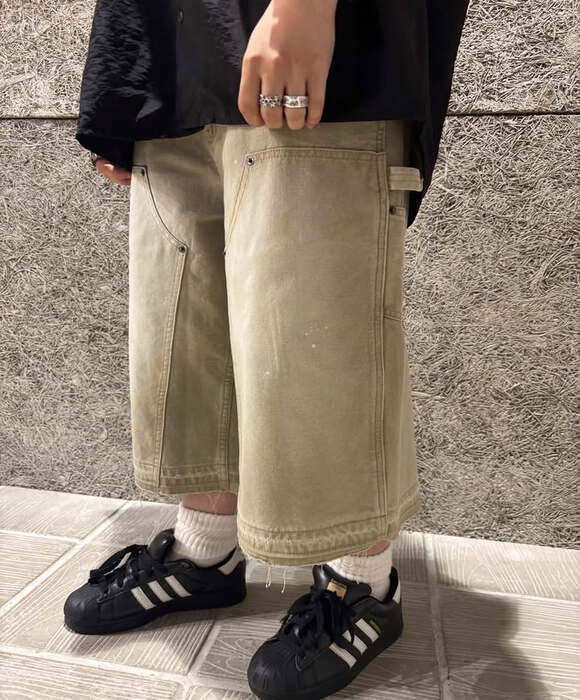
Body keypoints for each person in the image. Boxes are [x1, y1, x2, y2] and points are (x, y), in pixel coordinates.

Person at [65, 1, 469, 697]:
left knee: (319, 336)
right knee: (186, 327)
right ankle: (204, 552)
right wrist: (118, 82)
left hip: (314, 43)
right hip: (175, 55)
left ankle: (362, 583)